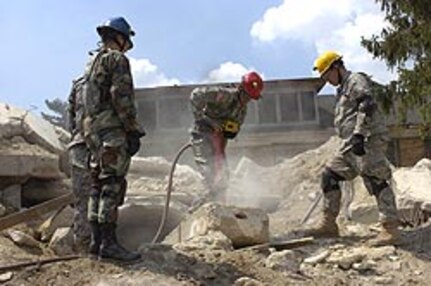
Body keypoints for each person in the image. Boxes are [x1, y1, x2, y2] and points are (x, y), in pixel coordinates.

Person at [304, 51, 400, 246]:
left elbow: (367, 104)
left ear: (336, 67)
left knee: (376, 179)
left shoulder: (355, 80)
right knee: (330, 176)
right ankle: (329, 224)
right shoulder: (342, 89)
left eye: (326, 75)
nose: (326, 80)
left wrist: (358, 134)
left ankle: (390, 229)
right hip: (349, 144)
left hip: (367, 140)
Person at [81, 17, 145, 262]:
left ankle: (96, 243)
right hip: (112, 131)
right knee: (112, 184)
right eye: (126, 40)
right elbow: (122, 97)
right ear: (120, 37)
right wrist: (133, 129)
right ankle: (109, 244)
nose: (127, 46)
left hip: (94, 132)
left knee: (97, 185)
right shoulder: (116, 59)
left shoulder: (92, 62)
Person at [189, 72, 264, 208]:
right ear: (241, 89)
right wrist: (207, 120)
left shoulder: (241, 111)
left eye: (251, 98)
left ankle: (218, 208)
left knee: (223, 178)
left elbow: (233, 131)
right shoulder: (224, 95)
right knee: (211, 176)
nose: (247, 100)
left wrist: (231, 131)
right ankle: (196, 210)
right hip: (202, 135)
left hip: (219, 144)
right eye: (246, 96)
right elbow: (195, 95)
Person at [67, 76, 92, 254]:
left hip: (78, 144)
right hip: (99, 145)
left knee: (82, 198)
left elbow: (70, 115)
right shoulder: (111, 77)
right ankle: (99, 245)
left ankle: (83, 247)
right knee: (103, 195)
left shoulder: (78, 83)